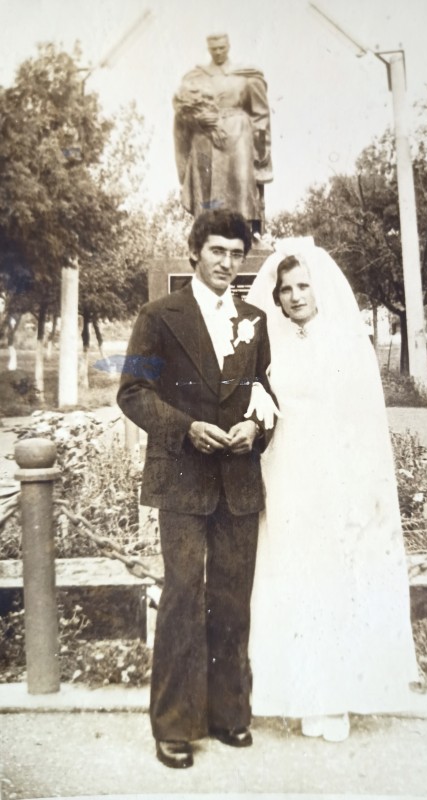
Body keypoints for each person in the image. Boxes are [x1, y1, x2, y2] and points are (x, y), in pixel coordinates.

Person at [117, 209, 276, 769]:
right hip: (181, 478)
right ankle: (175, 726)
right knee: (183, 595)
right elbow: (132, 392)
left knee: (232, 596)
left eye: (236, 254)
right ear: (195, 254)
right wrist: (185, 429)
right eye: (217, 252)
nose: (227, 263)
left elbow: (267, 392)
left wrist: (255, 428)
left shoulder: (255, 319)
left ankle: (228, 713)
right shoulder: (158, 316)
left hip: (238, 479)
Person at [247, 239, 419, 742]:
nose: (296, 296)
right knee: (293, 578)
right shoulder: (269, 345)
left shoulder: (345, 342)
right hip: (286, 474)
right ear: (276, 297)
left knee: (335, 579)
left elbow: (362, 419)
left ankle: (337, 696)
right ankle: (302, 695)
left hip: (336, 473)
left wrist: (362, 483)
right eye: (286, 289)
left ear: (318, 289)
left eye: (303, 286)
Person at [173, 33, 273, 232]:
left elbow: (261, 116)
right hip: (205, 140)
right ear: (208, 49)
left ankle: (246, 234)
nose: (218, 52)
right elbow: (182, 115)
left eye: (222, 48)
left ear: (228, 46)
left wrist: (261, 151)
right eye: (214, 49)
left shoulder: (246, 76)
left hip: (239, 139)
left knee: (242, 190)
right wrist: (199, 120)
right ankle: (207, 235)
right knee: (207, 196)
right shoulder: (195, 77)